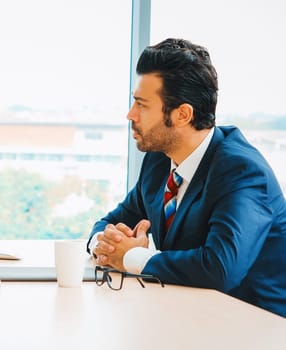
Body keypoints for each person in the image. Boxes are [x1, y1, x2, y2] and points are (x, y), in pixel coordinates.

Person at [88, 38, 286, 317]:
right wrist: (103, 243)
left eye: (142, 105)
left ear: (183, 114)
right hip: (192, 318)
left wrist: (130, 257)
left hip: (257, 329)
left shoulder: (242, 171)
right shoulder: (159, 160)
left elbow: (219, 269)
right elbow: (114, 220)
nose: (130, 114)